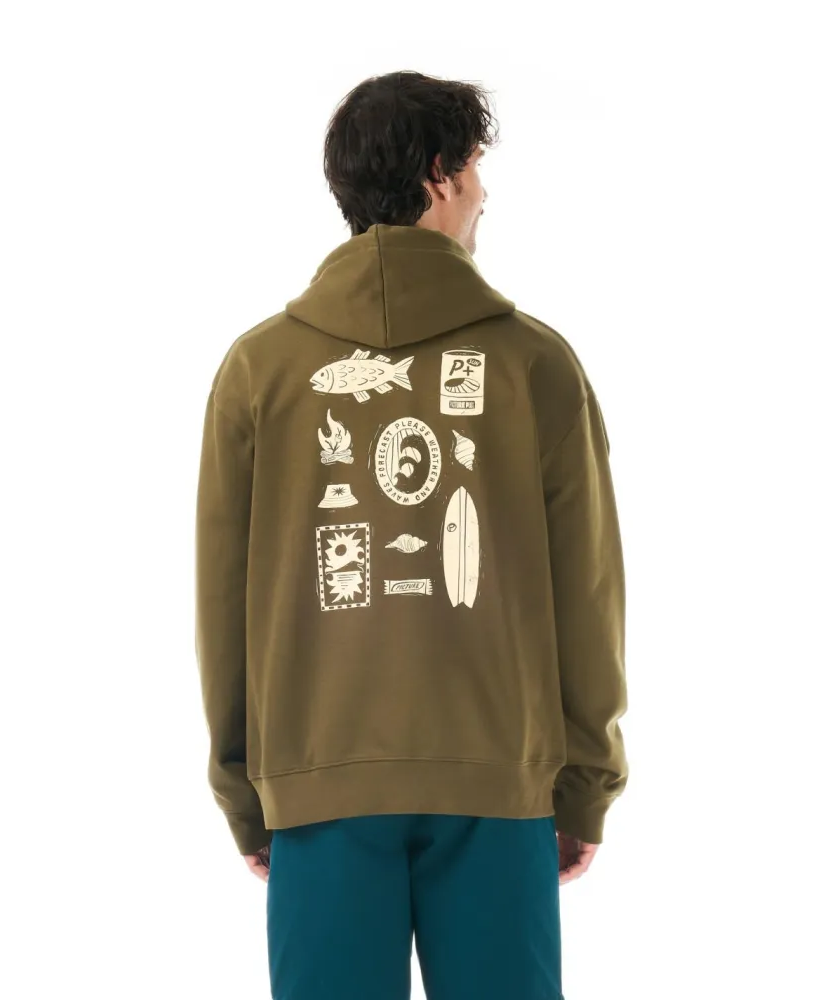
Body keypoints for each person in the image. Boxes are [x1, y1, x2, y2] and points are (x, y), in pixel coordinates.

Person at [193, 70, 629, 1000]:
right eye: (474, 167)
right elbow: (587, 594)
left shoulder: (260, 370)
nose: (483, 191)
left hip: (319, 782)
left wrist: (245, 788)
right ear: (440, 175)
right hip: (497, 782)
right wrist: (586, 781)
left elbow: (223, 602)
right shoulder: (534, 365)